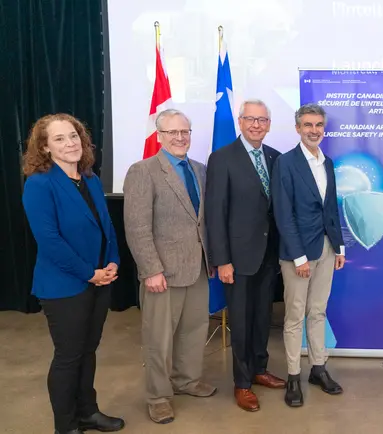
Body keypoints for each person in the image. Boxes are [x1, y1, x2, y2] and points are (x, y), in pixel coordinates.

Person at [21, 114, 124, 434]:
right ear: (45, 148)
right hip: (64, 285)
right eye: (60, 139)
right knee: (68, 356)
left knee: (88, 350)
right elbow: (49, 241)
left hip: (99, 279)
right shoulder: (39, 184)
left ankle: (87, 413)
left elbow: (107, 227)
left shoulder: (90, 178)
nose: (70, 143)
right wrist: (88, 273)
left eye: (74, 136)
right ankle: (65, 426)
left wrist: (112, 263)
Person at [123, 109, 217, 424]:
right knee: (159, 338)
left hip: (198, 267)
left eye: (185, 131)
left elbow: (203, 221)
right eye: (172, 132)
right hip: (163, 272)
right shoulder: (143, 171)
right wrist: (151, 269)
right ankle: (158, 396)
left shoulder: (201, 170)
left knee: (194, 330)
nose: (180, 137)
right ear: (160, 136)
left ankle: (187, 381)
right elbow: (137, 227)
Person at [205, 99, 285, 412]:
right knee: (239, 322)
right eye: (250, 119)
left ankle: (259, 369)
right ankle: (242, 383)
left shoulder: (275, 157)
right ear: (240, 122)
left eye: (262, 120)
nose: (256, 125)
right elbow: (216, 212)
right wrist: (222, 260)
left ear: (268, 124)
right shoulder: (222, 158)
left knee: (262, 318)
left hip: (268, 255)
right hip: (236, 259)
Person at [272, 103, 346, 407]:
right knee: (294, 316)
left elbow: (331, 208)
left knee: (318, 312)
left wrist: (339, 246)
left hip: (327, 248)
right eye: (307, 125)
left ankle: (318, 368)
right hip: (298, 254)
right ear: (298, 128)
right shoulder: (286, 163)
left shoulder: (327, 162)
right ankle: (293, 376)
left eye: (318, 125)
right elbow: (283, 213)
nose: (314, 130)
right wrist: (298, 257)